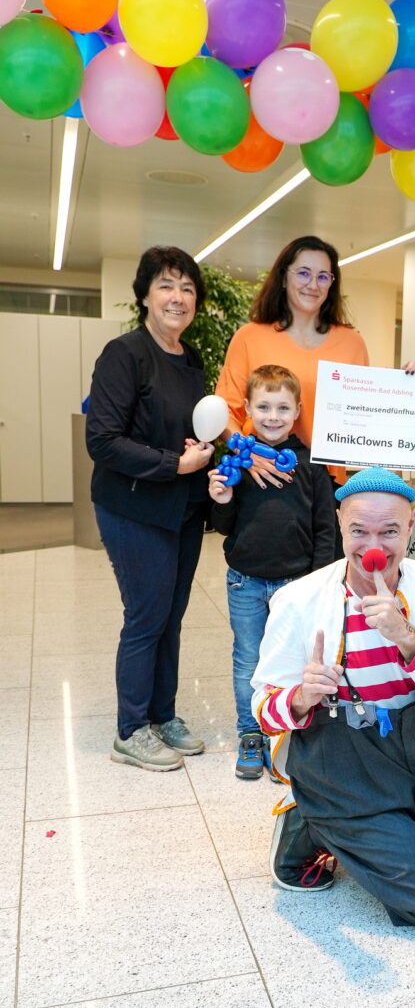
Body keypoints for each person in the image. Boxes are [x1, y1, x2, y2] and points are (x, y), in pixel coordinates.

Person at [250, 467, 415, 931]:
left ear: (411, 525)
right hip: (342, 767)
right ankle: (312, 820)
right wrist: (299, 697)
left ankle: (360, 825)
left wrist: (408, 639)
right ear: (339, 524)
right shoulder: (299, 600)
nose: (373, 545)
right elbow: (263, 711)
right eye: (359, 530)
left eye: (389, 531)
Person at [86, 246, 214, 771]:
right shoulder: (125, 354)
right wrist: (173, 465)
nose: (177, 297)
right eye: (166, 285)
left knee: (172, 618)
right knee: (145, 617)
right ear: (144, 295)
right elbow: (103, 440)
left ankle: (163, 714)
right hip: (133, 507)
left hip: (181, 509)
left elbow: (194, 435)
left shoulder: (191, 360)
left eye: (187, 288)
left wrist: (208, 467)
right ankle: (131, 728)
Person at [208, 364, 336, 781]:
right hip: (245, 579)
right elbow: (223, 524)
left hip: (296, 583)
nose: (273, 416)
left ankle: (285, 732)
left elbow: (324, 529)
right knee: (247, 658)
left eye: (283, 407)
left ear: (297, 410)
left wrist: (318, 581)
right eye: (263, 406)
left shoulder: (313, 466)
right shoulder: (239, 460)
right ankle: (250, 733)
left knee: (293, 659)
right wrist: (222, 498)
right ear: (246, 407)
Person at [215, 235, 369, 493]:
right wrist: (249, 454)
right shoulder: (249, 337)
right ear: (284, 277)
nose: (313, 284)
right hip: (264, 476)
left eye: (323, 276)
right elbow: (225, 413)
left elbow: (364, 414)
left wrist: (406, 384)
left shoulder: (351, 343)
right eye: (304, 273)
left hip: (327, 486)